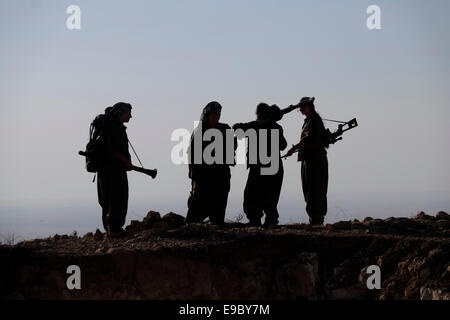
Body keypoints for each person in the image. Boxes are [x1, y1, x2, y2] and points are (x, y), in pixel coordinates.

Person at [233, 103, 288, 227]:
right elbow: (283, 145)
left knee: (251, 196)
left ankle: (255, 221)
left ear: (259, 114)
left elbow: (237, 128)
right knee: (271, 197)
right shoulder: (277, 127)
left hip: (259, 168)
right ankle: (271, 221)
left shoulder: (255, 125)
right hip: (275, 168)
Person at [186, 101, 236, 225]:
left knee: (219, 208)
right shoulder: (199, 131)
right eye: (214, 113)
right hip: (203, 176)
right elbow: (191, 153)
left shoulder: (225, 128)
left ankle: (217, 229)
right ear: (207, 114)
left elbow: (233, 147)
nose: (217, 115)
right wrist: (192, 172)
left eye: (219, 113)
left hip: (221, 175)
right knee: (196, 210)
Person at [284, 97, 329, 226]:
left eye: (303, 107)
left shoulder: (313, 121)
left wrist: (293, 149)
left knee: (315, 189)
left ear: (310, 107)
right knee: (311, 189)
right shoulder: (309, 121)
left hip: (314, 160)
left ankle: (316, 220)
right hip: (309, 159)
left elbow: (307, 141)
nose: (301, 109)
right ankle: (315, 219)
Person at [97, 102, 133, 237]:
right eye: (129, 113)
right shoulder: (114, 129)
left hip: (104, 170)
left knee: (107, 200)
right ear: (121, 113)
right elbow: (114, 149)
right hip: (114, 170)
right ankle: (115, 230)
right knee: (118, 198)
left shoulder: (108, 127)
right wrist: (126, 162)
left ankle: (111, 230)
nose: (131, 116)